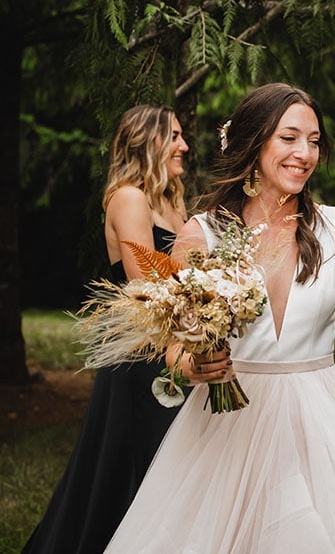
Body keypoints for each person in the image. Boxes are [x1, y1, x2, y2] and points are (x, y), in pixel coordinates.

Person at [102, 83, 335, 554]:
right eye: (289, 138)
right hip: (226, 425)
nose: (305, 153)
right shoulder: (202, 233)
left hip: (318, 424)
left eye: (314, 141)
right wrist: (191, 366)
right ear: (255, 142)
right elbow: (173, 345)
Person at [23, 105, 191, 554]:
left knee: (177, 458)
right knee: (137, 458)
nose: (184, 146)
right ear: (149, 141)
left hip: (176, 343)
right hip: (142, 352)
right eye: (174, 136)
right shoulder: (128, 197)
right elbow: (146, 284)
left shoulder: (173, 198)